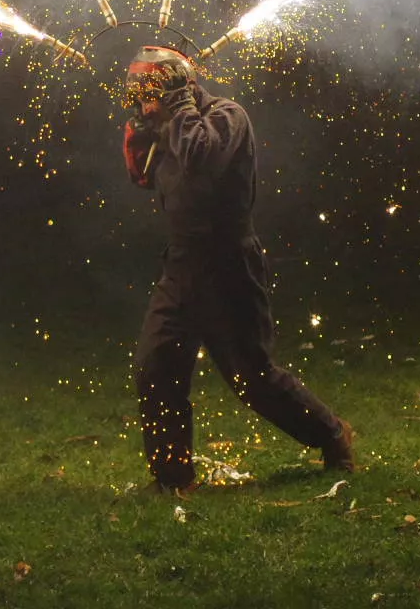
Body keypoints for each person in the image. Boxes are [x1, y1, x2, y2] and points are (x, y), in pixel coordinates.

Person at [121, 45, 354, 493]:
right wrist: (144, 133)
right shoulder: (167, 124)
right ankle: (173, 480)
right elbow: (145, 177)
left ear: (178, 88)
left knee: (252, 377)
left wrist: (178, 111)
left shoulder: (228, 117)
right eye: (140, 97)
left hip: (229, 264)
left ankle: (331, 434)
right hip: (181, 265)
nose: (145, 106)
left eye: (151, 95)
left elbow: (199, 155)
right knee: (156, 365)